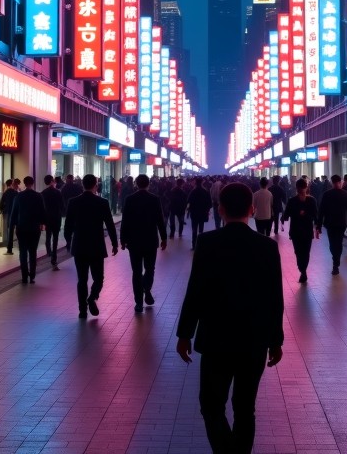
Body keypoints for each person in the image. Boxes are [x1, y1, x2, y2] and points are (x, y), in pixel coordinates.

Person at [176, 181, 284, 454]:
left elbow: (195, 290)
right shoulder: (267, 247)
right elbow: (275, 298)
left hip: (216, 339)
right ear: (251, 209)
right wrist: (275, 340)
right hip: (254, 340)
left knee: (211, 405)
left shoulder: (207, 243)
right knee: (245, 408)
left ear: (220, 209)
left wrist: (185, 333)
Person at [63, 174, 118, 318]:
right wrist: (114, 243)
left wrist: (68, 241)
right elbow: (110, 224)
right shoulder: (102, 202)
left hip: (79, 245)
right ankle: (92, 297)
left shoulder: (73, 202)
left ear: (82, 185)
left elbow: (68, 225)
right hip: (96, 246)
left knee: (82, 280)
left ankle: (82, 310)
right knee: (98, 278)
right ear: (96, 185)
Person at [120, 173, 167, 312]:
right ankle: (146, 289)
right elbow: (160, 220)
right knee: (150, 268)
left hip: (134, 241)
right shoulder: (155, 199)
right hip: (150, 240)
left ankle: (139, 302)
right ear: (149, 184)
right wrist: (164, 238)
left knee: (136, 272)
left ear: (136, 184)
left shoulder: (129, 199)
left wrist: (123, 239)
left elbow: (125, 220)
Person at [281, 178, 319, 283]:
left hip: (296, 231)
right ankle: (303, 270)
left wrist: (284, 217)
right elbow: (316, 215)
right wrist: (317, 227)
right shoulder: (311, 200)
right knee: (305, 252)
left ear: (296, 188)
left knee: (299, 252)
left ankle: (302, 270)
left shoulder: (292, 201)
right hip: (306, 231)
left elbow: (286, 216)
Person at [317, 175, 347, 275]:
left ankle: (335, 260)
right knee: (339, 242)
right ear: (341, 182)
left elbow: (321, 211)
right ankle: (336, 263)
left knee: (332, 243)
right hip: (342, 223)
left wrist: (318, 225)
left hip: (330, 223)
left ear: (332, 182)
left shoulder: (327, 194)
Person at [14, 176, 45, 284]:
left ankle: (24, 276)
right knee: (32, 252)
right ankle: (32, 275)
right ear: (33, 183)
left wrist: (13, 225)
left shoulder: (19, 196)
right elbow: (42, 211)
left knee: (22, 252)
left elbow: (14, 212)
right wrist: (42, 223)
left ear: (24, 183)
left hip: (21, 227)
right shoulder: (38, 196)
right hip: (34, 227)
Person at [41, 175, 64, 271]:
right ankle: (54, 259)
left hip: (47, 218)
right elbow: (62, 206)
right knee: (55, 238)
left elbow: (41, 208)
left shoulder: (43, 193)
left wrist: (42, 221)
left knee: (48, 235)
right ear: (51, 181)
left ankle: (48, 251)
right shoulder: (57, 192)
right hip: (56, 218)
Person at [187, 178, 212, 250]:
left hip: (194, 213)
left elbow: (189, 201)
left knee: (194, 229)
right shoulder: (205, 191)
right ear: (202, 183)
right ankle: (200, 245)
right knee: (201, 229)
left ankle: (194, 245)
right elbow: (210, 203)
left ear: (195, 183)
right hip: (202, 213)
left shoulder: (193, 191)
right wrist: (206, 210)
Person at [0, 178, 18, 254]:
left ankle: (9, 249)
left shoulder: (6, 193)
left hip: (9, 214)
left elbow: (0, 204)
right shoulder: (16, 193)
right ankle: (21, 246)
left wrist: (3, 210)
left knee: (10, 232)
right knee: (18, 230)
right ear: (11, 184)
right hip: (17, 214)